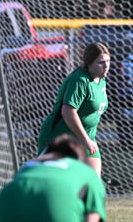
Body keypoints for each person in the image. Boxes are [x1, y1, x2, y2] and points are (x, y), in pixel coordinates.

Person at [37, 43, 111, 179]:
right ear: (89, 63)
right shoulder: (79, 80)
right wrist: (86, 139)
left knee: (93, 183)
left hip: (88, 138)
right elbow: (68, 111)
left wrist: (88, 139)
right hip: (59, 138)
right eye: (101, 62)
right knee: (53, 185)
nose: (106, 66)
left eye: (108, 61)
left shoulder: (101, 81)